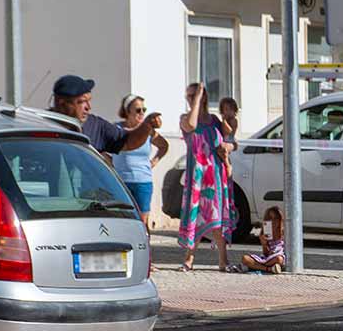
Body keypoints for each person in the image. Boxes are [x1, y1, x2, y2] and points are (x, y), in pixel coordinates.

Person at [178, 82, 236, 271]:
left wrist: (228, 147)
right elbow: (192, 125)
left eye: (193, 95)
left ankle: (223, 259)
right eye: (188, 96)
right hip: (197, 175)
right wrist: (196, 100)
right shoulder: (185, 118)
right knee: (195, 215)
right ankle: (189, 258)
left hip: (215, 176)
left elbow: (232, 141)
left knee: (216, 215)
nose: (191, 99)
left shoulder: (214, 120)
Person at [50, 74, 154, 158]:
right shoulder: (42, 125)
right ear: (62, 103)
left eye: (89, 101)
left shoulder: (95, 126)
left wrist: (147, 125)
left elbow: (128, 141)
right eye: (81, 101)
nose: (88, 107)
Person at [110, 95, 169, 230]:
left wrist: (154, 161)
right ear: (127, 111)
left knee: (141, 221)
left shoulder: (147, 130)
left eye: (144, 109)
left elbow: (164, 146)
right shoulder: (117, 129)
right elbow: (102, 146)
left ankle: (144, 248)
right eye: (138, 110)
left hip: (143, 182)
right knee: (122, 220)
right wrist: (109, 162)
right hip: (121, 181)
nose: (142, 113)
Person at [242, 206, 286, 274]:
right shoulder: (266, 233)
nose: (273, 221)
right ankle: (269, 269)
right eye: (270, 219)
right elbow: (266, 253)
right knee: (245, 258)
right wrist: (264, 244)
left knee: (279, 259)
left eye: (276, 218)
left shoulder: (283, 233)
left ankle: (255, 266)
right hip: (267, 259)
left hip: (277, 258)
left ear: (280, 219)